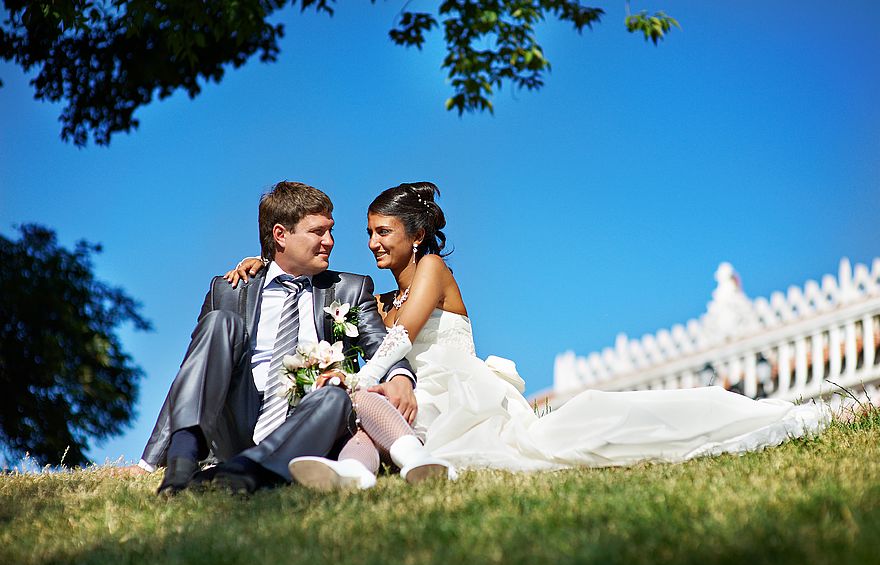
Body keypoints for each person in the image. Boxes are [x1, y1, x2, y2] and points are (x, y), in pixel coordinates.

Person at [226, 182, 829, 473]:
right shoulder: (379, 293)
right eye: (369, 233)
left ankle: (746, 416)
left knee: (556, 441)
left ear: (415, 233)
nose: (372, 243)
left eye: (383, 232)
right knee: (368, 410)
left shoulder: (433, 270)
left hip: (453, 389)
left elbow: (401, 339)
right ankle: (351, 475)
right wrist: (262, 263)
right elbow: (361, 319)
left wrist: (359, 380)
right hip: (408, 394)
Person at [139, 181, 450, 496]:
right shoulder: (230, 289)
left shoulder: (348, 290)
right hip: (237, 419)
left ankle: (249, 472)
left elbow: (379, 343)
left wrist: (399, 375)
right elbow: (194, 372)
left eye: (330, 231)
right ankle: (181, 467)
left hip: (307, 424)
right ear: (280, 235)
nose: (329, 241)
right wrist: (148, 462)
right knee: (219, 323)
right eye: (318, 232)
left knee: (336, 394)